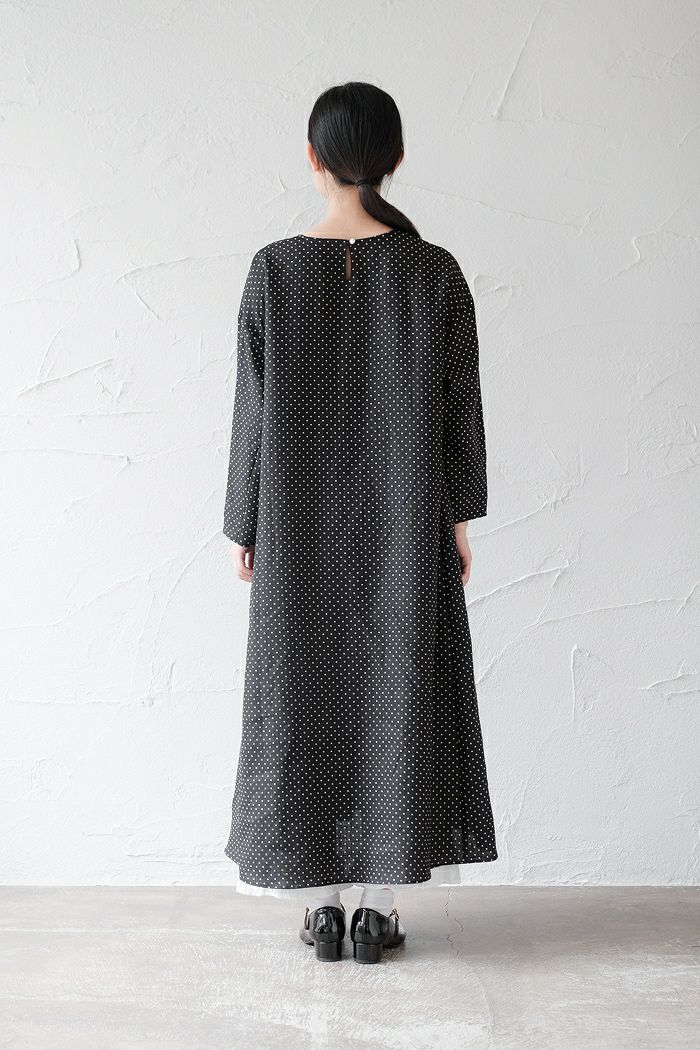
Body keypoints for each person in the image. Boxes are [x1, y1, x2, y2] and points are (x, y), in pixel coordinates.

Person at [222, 81, 498, 964]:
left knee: (299, 690)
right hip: (406, 516)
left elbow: (252, 412)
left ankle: (322, 909)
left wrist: (245, 523)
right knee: (397, 683)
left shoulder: (274, 270)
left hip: (297, 524)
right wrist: (459, 519)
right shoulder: (434, 271)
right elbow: (461, 412)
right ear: (395, 158)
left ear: (312, 158)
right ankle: (378, 908)